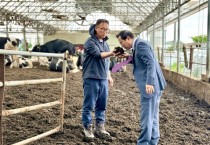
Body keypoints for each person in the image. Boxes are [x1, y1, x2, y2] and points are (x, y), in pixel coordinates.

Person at [116, 30, 167, 145]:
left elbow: (150, 63)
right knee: (153, 115)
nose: (121, 45)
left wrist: (149, 83)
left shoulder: (141, 44)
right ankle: (153, 140)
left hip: (150, 86)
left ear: (128, 38)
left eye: (121, 42)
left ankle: (143, 142)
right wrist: (129, 57)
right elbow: (142, 60)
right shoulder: (138, 45)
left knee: (147, 116)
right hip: (155, 85)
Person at [82, 19, 117, 138]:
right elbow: (99, 55)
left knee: (102, 105)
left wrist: (109, 76)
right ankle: (87, 128)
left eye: (106, 29)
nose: (104, 31)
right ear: (96, 28)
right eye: (102, 28)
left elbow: (106, 62)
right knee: (89, 104)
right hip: (91, 77)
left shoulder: (105, 43)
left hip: (103, 78)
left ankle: (100, 127)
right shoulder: (90, 42)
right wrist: (112, 53)